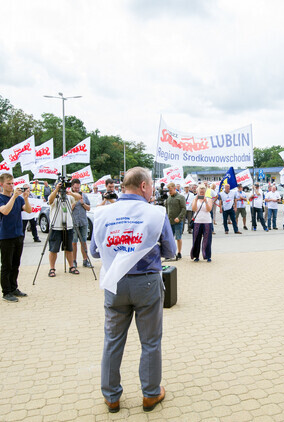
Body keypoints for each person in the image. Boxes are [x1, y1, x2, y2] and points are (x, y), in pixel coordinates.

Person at [89, 167, 176, 413]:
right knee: (150, 341)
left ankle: (111, 397)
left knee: (112, 340)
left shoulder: (102, 213)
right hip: (146, 283)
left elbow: (94, 251)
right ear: (144, 186)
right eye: (151, 187)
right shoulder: (155, 213)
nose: (151, 191)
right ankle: (150, 394)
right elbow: (170, 251)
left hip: (115, 282)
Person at [0, 173, 32, 302]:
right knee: (7, 265)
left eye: (12, 183)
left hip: (18, 234)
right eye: (8, 184)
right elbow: (5, 211)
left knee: (16, 264)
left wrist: (25, 198)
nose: (11, 186)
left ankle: (14, 287)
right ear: (2, 185)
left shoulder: (19, 199)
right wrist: (14, 197)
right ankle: (6, 291)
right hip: (6, 236)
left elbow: (29, 210)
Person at [47, 180, 80, 276]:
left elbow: (79, 197)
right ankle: (52, 268)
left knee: (69, 248)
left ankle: (71, 266)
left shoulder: (69, 196)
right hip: (56, 227)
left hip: (68, 226)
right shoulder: (54, 196)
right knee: (53, 249)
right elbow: (50, 200)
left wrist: (71, 193)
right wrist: (56, 190)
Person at [69, 179, 92, 269]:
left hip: (83, 221)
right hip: (73, 222)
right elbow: (67, 210)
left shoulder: (84, 196)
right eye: (75, 188)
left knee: (84, 242)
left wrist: (83, 203)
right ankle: (74, 261)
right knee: (74, 242)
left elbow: (89, 208)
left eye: (78, 188)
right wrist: (74, 203)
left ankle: (85, 260)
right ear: (72, 186)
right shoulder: (69, 196)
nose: (77, 189)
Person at [190, 185, 214, 262]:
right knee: (196, 239)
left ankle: (207, 255)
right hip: (197, 221)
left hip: (207, 221)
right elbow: (194, 209)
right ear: (198, 191)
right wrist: (196, 200)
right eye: (200, 190)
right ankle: (196, 255)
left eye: (203, 190)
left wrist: (205, 201)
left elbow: (209, 209)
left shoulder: (209, 199)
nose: (202, 192)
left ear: (205, 191)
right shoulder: (195, 199)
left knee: (207, 239)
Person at [164, 182, 186, 259]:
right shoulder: (168, 198)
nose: (169, 192)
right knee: (169, 238)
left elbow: (183, 209)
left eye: (170, 190)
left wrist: (179, 218)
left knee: (178, 237)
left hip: (178, 222)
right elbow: (166, 209)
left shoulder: (181, 197)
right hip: (169, 222)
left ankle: (179, 252)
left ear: (174, 188)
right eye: (168, 190)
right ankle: (170, 253)